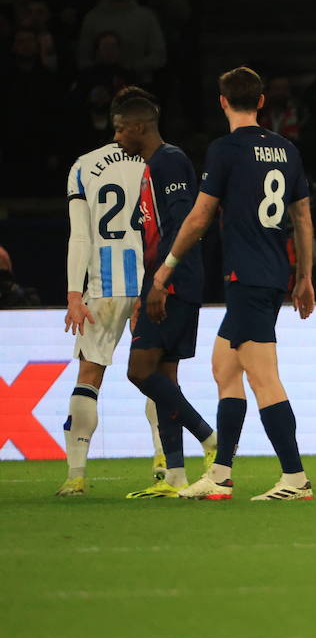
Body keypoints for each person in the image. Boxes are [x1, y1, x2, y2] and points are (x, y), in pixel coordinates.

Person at [149, 67, 316, 502]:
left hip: (246, 276)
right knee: (225, 367)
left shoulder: (225, 150)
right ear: (262, 102)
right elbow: (301, 216)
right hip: (271, 274)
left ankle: (295, 479)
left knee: (264, 379)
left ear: (222, 102)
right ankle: (221, 473)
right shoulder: (286, 149)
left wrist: (166, 268)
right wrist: (305, 277)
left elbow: (201, 215)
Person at [111, 87, 219, 498]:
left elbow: (181, 225)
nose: (118, 137)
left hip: (174, 281)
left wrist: (161, 282)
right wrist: (146, 290)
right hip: (166, 281)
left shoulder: (169, 162)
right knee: (165, 376)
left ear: (139, 127)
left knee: (140, 371)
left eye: (121, 130)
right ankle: (174, 474)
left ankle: (210, 439)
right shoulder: (152, 167)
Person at [56, 116, 164, 495]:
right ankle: (164, 461)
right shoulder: (156, 161)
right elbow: (166, 228)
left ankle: (76, 475)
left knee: (89, 377)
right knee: (157, 375)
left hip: (102, 290)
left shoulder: (83, 166)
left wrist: (73, 294)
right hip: (150, 287)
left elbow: (79, 236)